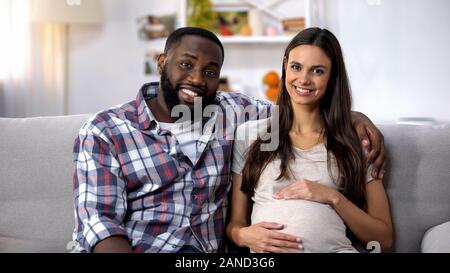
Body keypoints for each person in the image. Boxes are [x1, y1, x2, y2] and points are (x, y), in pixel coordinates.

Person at [72, 27, 386, 253]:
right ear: (161, 63)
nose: (197, 79)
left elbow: (300, 104)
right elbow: (99, 222)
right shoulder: (106, 130)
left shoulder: (234, 113)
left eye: (210, 71)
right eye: (186, 64)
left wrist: (354, 117)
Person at [226, 27, 393, 253]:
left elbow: (383, 239)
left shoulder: (357, 141)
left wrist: (332, 196)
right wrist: (243, 236)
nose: (303, 80)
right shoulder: (250, 135)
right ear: (285, 66)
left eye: (317, 71)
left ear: (333, 76)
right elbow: (236, 224)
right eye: (296, 67)